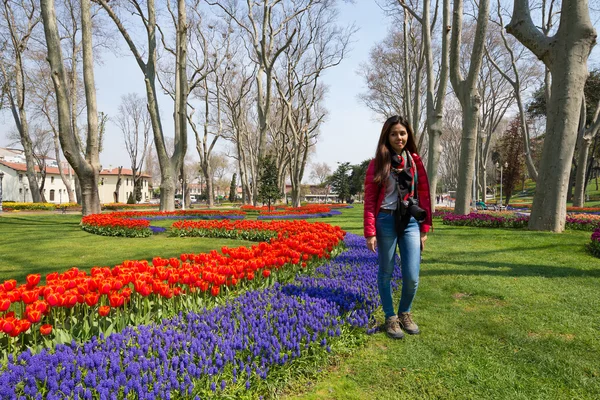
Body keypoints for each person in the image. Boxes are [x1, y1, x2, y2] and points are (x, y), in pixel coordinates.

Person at [363, 115, 432, 339]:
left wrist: (424, 228)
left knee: (412, 274)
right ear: (387, 136)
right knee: (386, 272)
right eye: (394, 134)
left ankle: (405, 313)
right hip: (385, 220)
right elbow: (370, 200)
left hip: (410, 222)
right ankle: (391, 318)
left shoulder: (414, 161)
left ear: (408, 135)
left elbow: (424, 196)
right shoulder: (378, 163)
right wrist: (370, 232)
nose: (399, 138)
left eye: (402, 133)